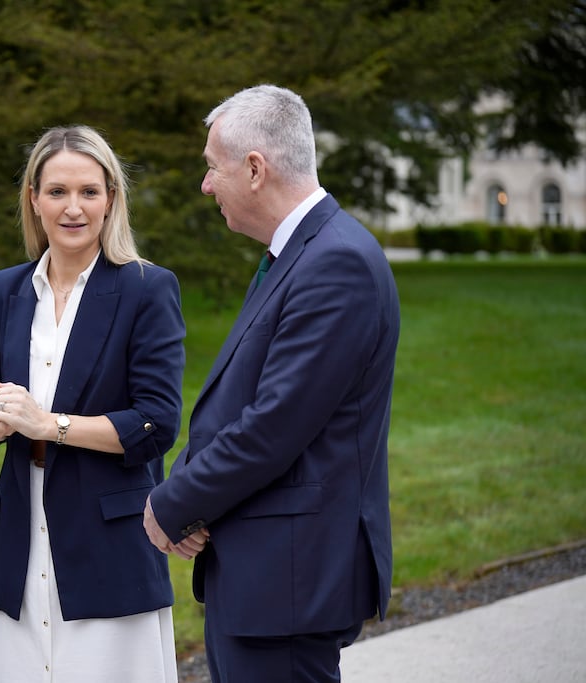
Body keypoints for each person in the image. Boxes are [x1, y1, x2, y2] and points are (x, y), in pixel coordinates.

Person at [144, 84, 400, 682]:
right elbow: (242, 403)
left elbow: (273, 425)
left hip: (288, 580)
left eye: (213, 167)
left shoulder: (336, 263)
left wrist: (173, 503)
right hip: (266, 574)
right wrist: (193, 497)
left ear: (255, 169)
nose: (206, 185)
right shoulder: (301, 254)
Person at [0, 125, 186, 682]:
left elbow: (156, 424)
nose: (73, 208)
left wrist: (47, 424)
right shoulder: (6, 289)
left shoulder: (146, 288)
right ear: (34, 200)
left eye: (89, 191)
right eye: (57, 192)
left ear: (111, 199)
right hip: (20, 525)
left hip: (109, 539)